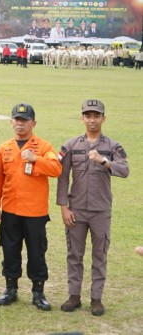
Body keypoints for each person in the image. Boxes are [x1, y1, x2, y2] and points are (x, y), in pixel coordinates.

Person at [57, 100, 129, 316]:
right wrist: (63, 207)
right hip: (76, 210)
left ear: (103, 118)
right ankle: (74, 296)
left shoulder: (112, 146)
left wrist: (104, 161)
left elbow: (124, 170)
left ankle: (96, 298)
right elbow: (62, 177)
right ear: (82, 118)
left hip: (100, 211)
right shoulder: (71, 145)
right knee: (74, 255)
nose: (92, 120)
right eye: (88, 115)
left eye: (96, 115)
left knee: (100, 255)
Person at [0, 103, 62, 311]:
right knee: (10, 250)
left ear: (33, 123)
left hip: (35, 212)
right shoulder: (5, 147)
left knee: (36, 252)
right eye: (16, 120)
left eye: (25, 120)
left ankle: (38, 292)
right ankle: (10, 289)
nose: (20, 124)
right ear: (11, 122)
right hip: (11, 209)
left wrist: (35, 158)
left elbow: (56, 169)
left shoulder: (44, 146)